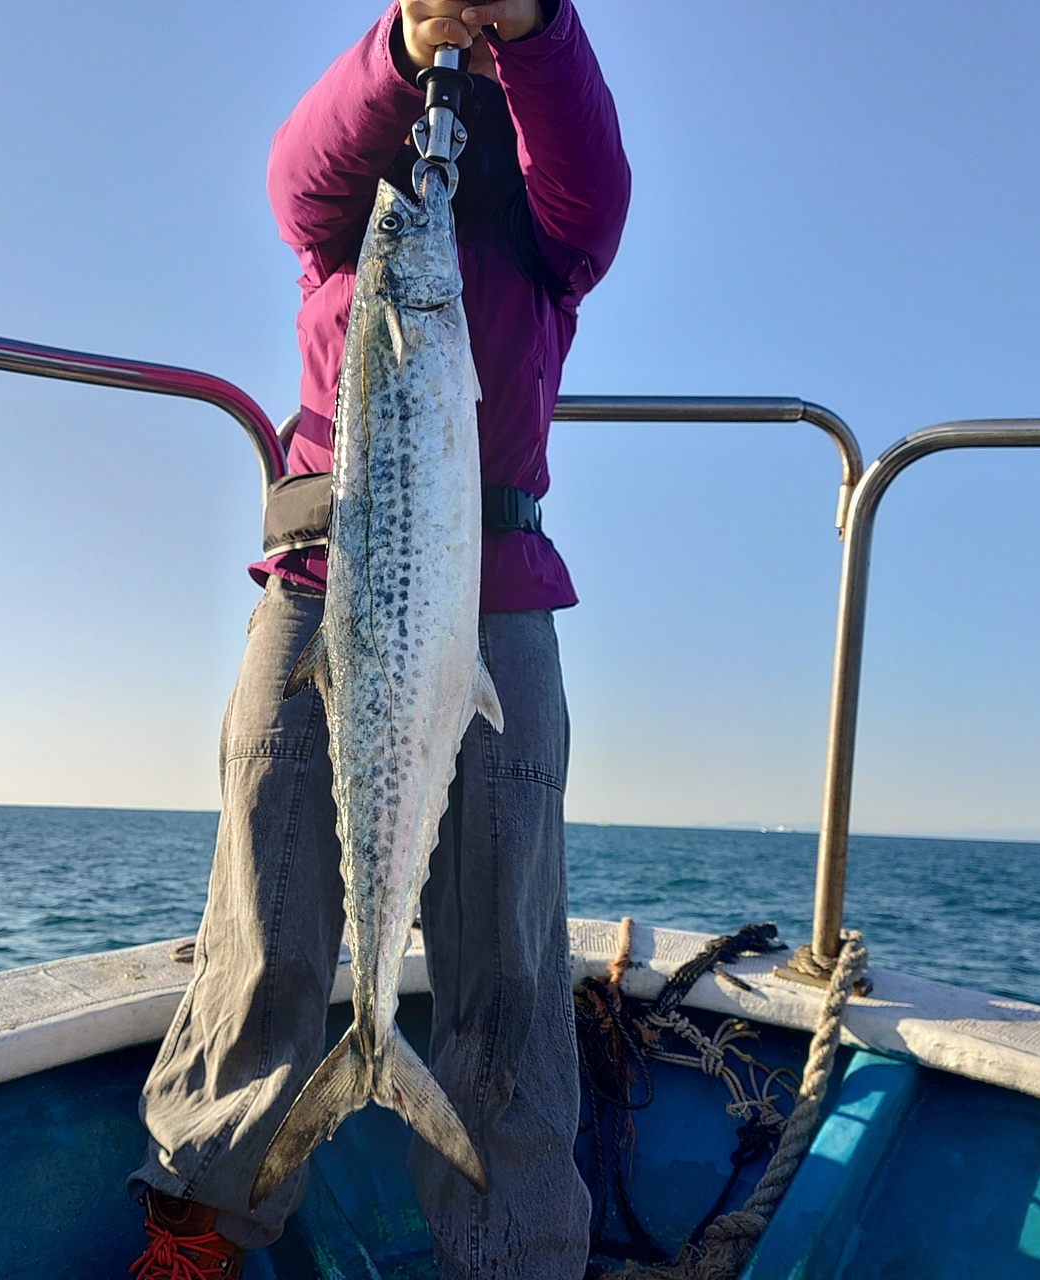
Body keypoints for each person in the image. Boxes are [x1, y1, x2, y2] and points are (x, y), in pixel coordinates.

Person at [128, 1, 629, 1276]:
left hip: (494, 597)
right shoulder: (345, 226)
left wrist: (531, 25)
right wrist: (406, 43)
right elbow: (297, 176)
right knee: (263, 925)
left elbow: (592, 188)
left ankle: (511, 1250)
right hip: (318, 583)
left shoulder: (545, 237)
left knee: (505, 964)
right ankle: (200, 1220)